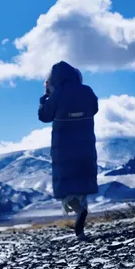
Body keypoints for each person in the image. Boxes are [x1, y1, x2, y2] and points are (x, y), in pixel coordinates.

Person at [38, 60, 98, 240]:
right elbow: (94, 108)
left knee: (67, 187)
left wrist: (44, 99)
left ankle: (79, 211)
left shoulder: (57, 95)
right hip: (85, 144)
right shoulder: (86, 91)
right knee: (82, 181)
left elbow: (44, 116)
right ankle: (81, 224)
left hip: (64, 147)